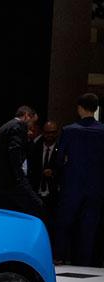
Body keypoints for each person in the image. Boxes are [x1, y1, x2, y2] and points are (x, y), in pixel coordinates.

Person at [55, 92, 104, 266]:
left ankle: (60, 257)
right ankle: (85, 263)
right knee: (89, 227)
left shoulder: (69, 130)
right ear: (96, 108)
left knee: (65, 223)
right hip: (96, 187)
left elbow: (59, 159)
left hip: (72, 185)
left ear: (80, 108)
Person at [0, 106, 44, 219]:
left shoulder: (5, 127)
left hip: (0, 183)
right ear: (26, 116)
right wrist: (21, 180)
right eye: (32, 122)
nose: (32, 127)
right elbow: (14, 154)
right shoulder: (18, 127)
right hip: (12, 183)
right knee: (37, 207)